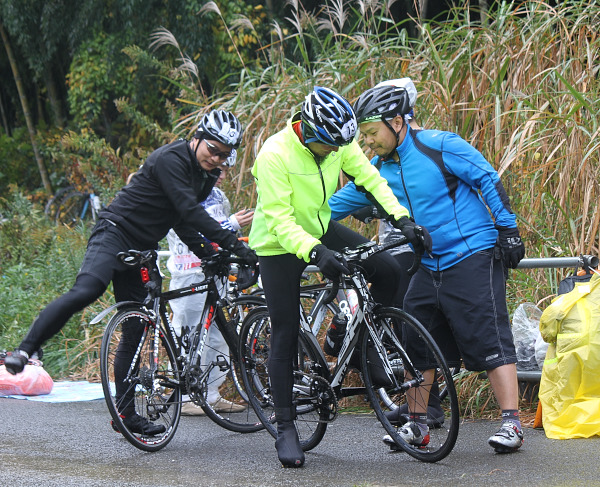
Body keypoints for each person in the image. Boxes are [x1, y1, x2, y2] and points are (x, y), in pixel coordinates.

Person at [4, 109, 258, 436]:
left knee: (136, 326)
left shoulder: (206, 174)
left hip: (142, 249)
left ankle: (125, 416)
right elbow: (189, 210)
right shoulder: (171, 159)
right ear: (197, 138)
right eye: (212, 149)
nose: (217, 159)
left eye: (225, 155)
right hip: (114, 233)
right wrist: (237, 247)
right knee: (89, 289)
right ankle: (26, 349)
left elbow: (180, 221)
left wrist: (210, 253)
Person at [329, 83, 526, 454]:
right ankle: (417, 426)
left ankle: (512, 423)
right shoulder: (378, 169)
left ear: (398, 121)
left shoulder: (440, 145)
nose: (369, 143)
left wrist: (508, 229)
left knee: (490, 337)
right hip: (427, 261)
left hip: (471, 253)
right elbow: (337, 204)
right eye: (364, 136)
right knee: (415, 341)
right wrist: (288, 221)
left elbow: (487, 177)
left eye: (372, 133)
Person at [247, 86, 427, 468]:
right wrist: (316, 253)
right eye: (329, 148)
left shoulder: (339, 139)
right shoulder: (274, 155)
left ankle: (366, 349)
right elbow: (279, 221)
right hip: (279, 243)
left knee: (388, 270)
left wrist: (402, 219)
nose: (336, 153)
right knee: (285, 328)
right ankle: (286, 427)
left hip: (320, 226)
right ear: (309, 133)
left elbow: (371, 180)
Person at [331, 78, 445, 427]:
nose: (368, 140)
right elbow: (344, 201)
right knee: (397, 324)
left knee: (405, 326)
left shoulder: (423, 148)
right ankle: (424, 404)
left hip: (417, 251)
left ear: (401, 120)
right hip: (395, 247)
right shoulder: (381, 161)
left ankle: (420, 402)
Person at [165, 149, 254, 416]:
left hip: (216, 271)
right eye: (218, 169)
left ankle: (211, 392)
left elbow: (218, 229)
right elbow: (190, 230)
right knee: (187, 332)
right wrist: (233, 223)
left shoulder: (220, 197)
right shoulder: (184, 189)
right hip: (188, 270)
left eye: (226, 171)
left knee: (219, 333)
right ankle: (182, 395)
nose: (220, 175)